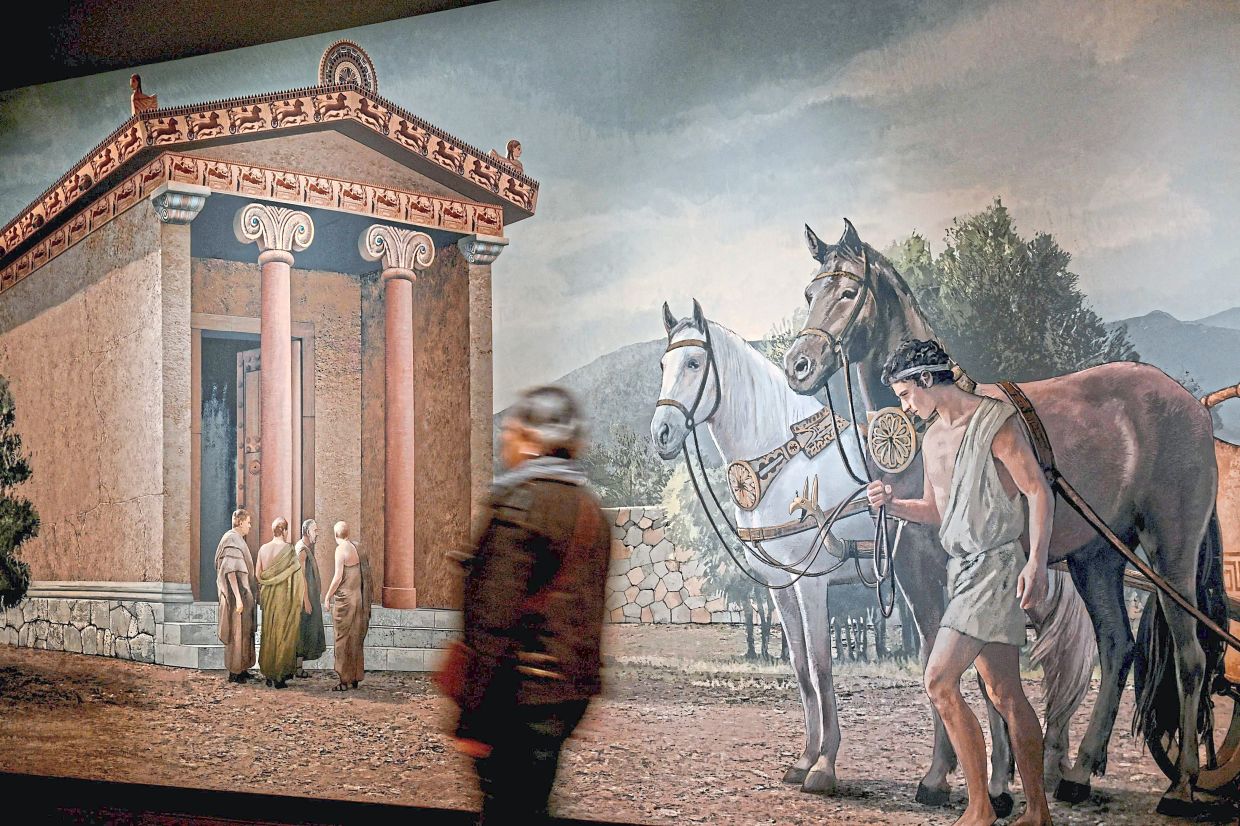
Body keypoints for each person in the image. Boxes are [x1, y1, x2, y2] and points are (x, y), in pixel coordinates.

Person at [867, 339, 1052, 826]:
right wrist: (891, 504)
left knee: (939, 680)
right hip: (963, 569)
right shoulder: (932, 439)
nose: (905, 407)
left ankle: (979, 808)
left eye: (907, 394)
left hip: (995, 568)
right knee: (1006, 691)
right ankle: (1037, 811)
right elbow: (934, 510)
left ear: (928, 380)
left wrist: (1036, 563)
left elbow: (1037, 491)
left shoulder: (994, 422)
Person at [451, 385, 611, 825]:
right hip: (567, 696)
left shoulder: (519, 503)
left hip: (515, 696)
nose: (504, 441)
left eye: (511, 431)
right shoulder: (588, 510)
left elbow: (492, 621)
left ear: (529, 438)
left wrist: (473, 719)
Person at [255, 517, 310, 689]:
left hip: (269, 598)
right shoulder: (288, 549)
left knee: (269, 634)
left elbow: (258, 575)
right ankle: (279, 675)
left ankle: (269, 674)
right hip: (285, 600)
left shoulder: (263, 549)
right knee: (283, 635)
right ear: (284, 531)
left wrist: (267, 585)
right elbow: (298, 577)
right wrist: (301, 599)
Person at [323, 521, 370, 691]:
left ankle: (344, 680)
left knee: (342, 640)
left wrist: (327, 596)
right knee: (355, 638)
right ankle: (355, 677)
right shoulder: (357, 548)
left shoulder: (340, 550)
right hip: (358, 600)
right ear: (347, 533)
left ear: (336, 535)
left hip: (345, 602)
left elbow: (337, 578)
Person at [214, 509, 257, 684]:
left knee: (244, 633)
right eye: (248, 522)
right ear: (240, 522)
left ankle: (243, 668)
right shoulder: (231, 539)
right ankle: (235, 671)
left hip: (242, 596)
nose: (250, 525)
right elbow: (230, 571)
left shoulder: (237, 539)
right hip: (235, 599)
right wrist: (238, 598)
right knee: (237, 634)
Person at [294, 519, 327, 678]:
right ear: (307, 532)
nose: (317, 533)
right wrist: (306, 600)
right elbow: (301, 577)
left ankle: (298, 667)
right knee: (302, 631)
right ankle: (297, 668)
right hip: (304, 599)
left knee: (306, 631)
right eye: (315, 530)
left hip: (310, 597)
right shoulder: (301, 550)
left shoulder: (306, 548)